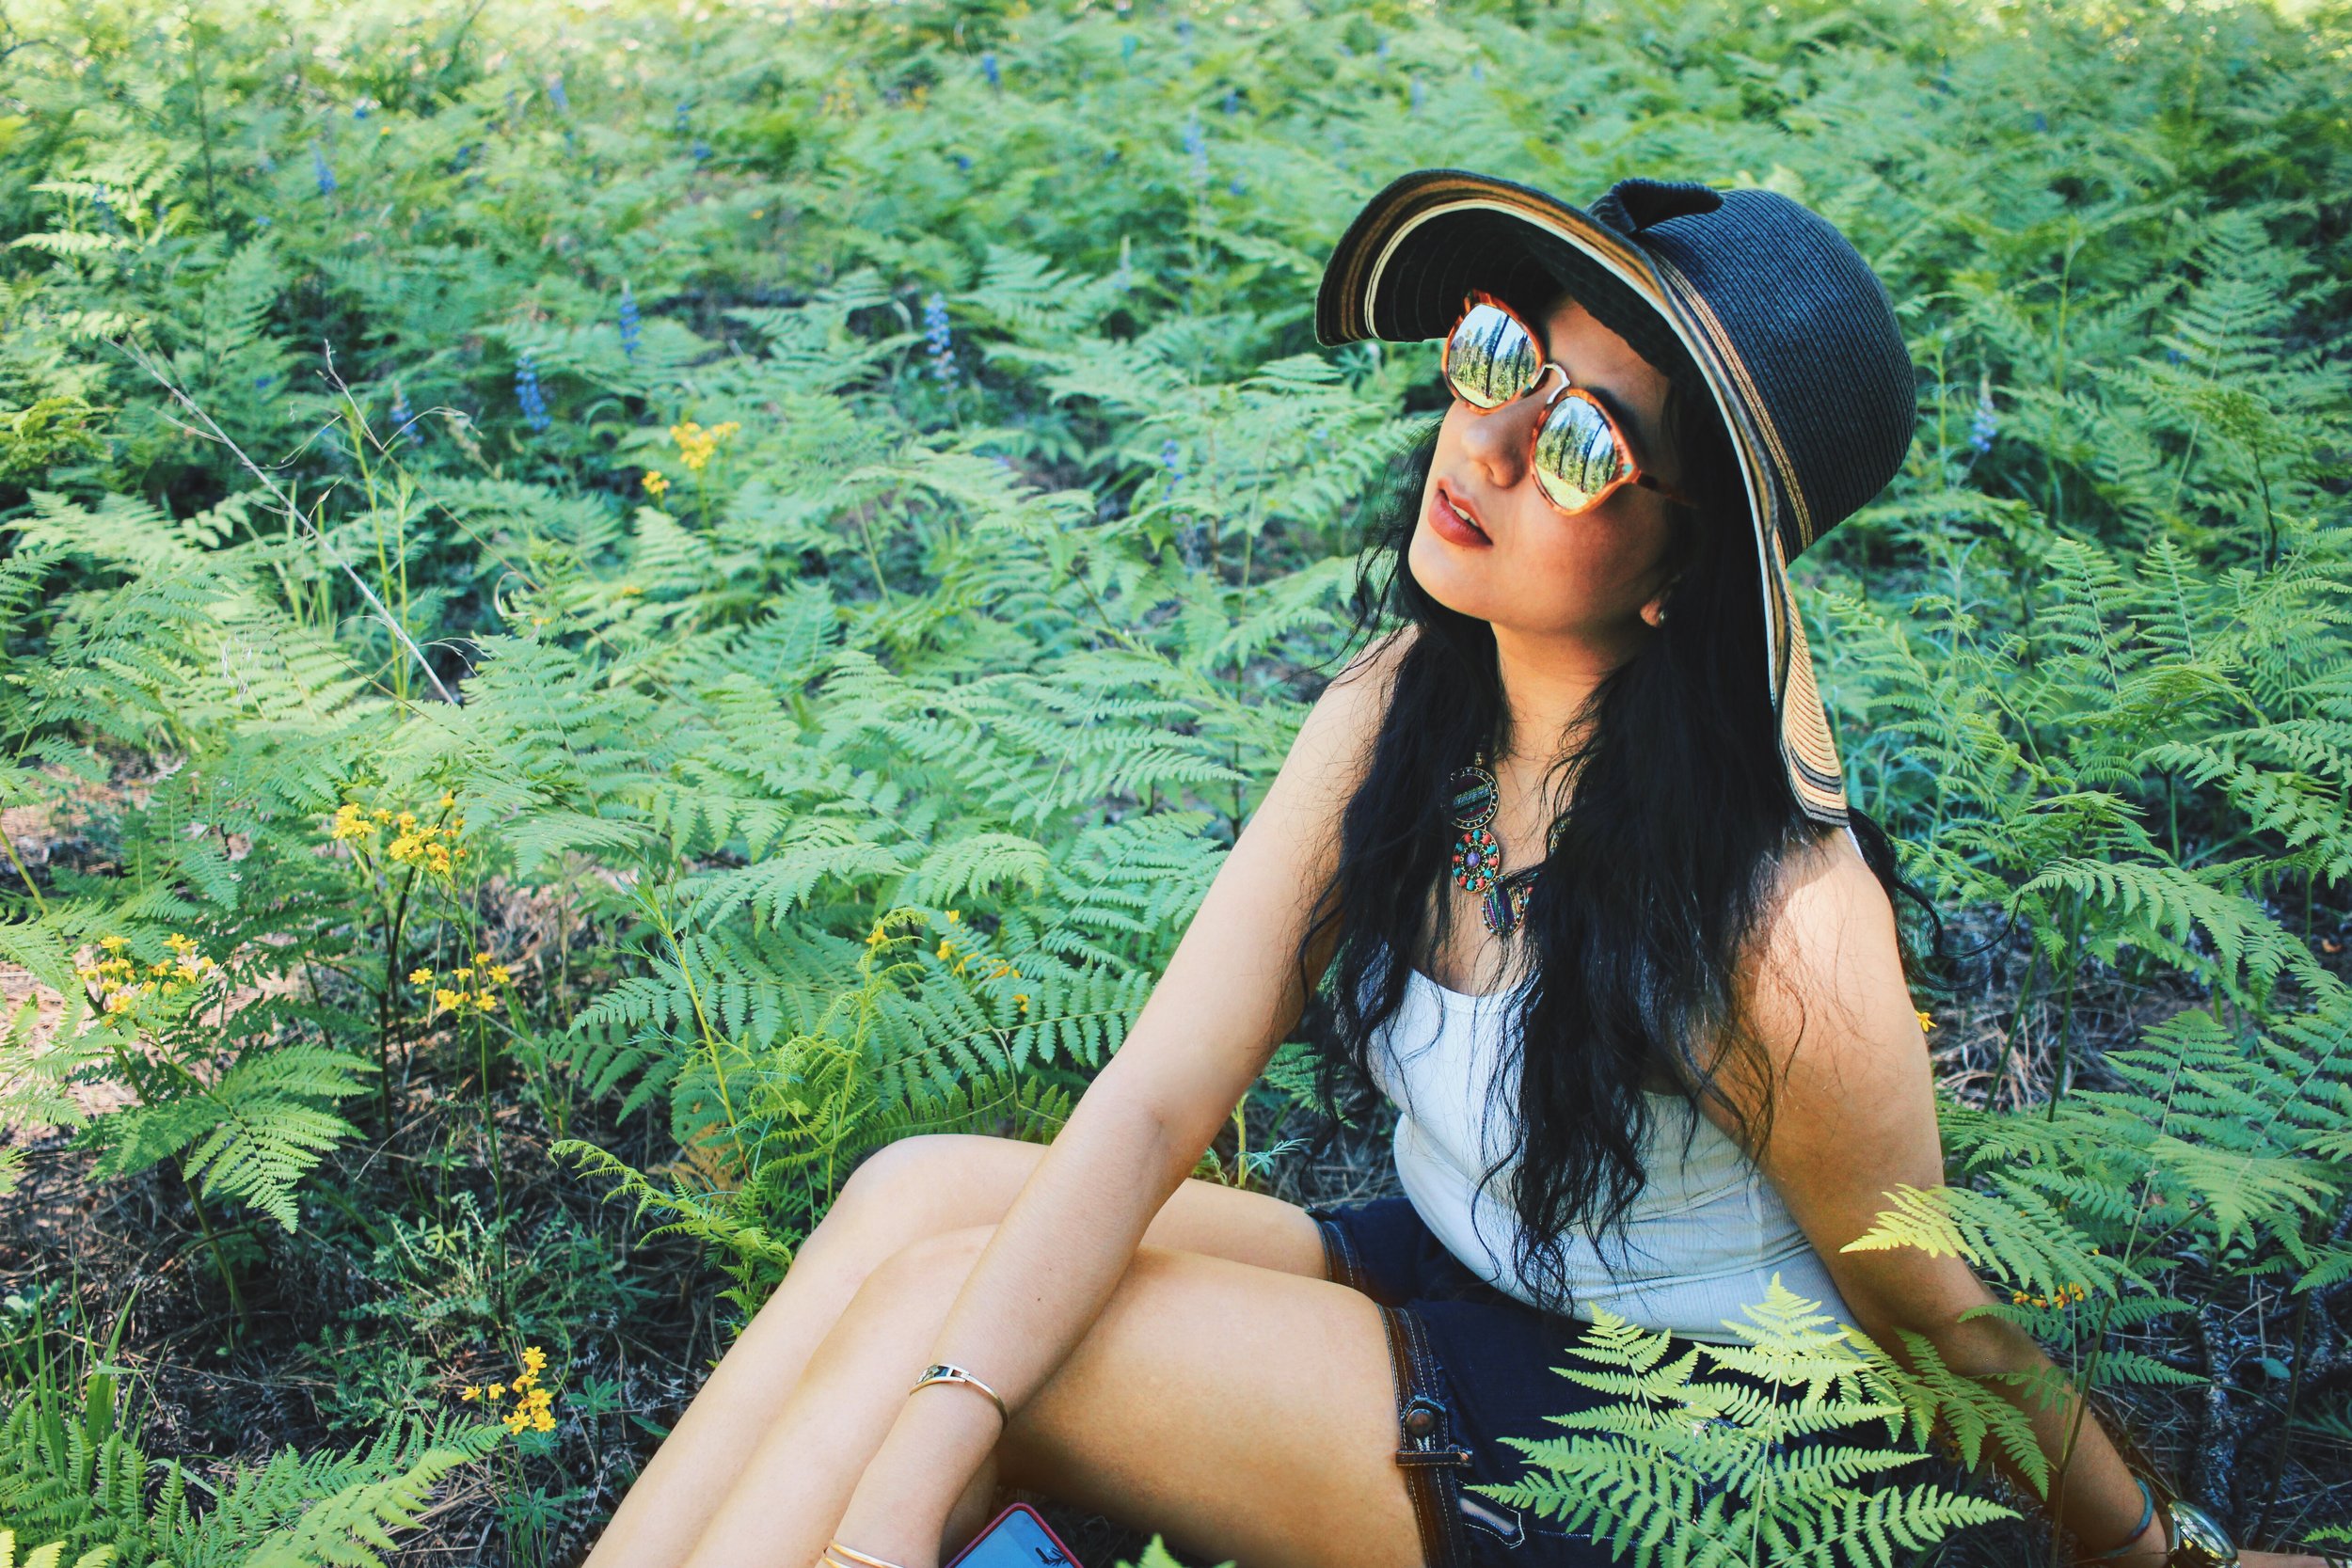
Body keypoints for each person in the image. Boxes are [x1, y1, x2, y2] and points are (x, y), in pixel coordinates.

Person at [579, 171, 2343, 1568]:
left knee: (959, 1344)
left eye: (1585, 444)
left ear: (1683, 576)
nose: (1491, 445)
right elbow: (1154, 1098)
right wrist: (920, 1457)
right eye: (1504, 356)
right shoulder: (1400, 712)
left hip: (1675, 1443)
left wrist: (2155, 1552)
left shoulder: (1775, 917)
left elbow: (1926, 1309)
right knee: (913, 1205)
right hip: (1453, 1277)